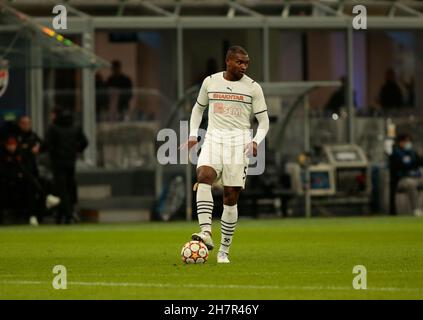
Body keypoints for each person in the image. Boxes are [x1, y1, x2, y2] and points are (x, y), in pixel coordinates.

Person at [181, 46, 270, 263]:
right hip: (213, 140)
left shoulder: (253, 88)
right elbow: (197, 109)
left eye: (246, 63)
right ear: (228, 61)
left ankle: (223, 251)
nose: (243, 66)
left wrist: (256, 141)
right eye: (239, 62)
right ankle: (205, 232)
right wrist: (193, 134)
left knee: (230, 197)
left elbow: (264, 121)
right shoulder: (210, 81)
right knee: (203, 176)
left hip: (238, 145)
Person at [44, 108, 88, 224]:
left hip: (58, 162)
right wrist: (74, 149)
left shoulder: (53, 128)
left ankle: (66, 214)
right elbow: (84, 142)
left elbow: (46, 144)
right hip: (71, 162)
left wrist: (49, 151)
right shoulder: (75, 127)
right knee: (70, 187)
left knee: (60, 189)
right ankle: (67, 213)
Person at [389, 133, 423, 216]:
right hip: (403, 180)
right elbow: (401, 166)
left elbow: (419, 162)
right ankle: (416, 209)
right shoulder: (396, 154)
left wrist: (415, 162)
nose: (408, 143)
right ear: (401, 142)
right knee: (411, 183)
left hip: (416, 178)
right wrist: (413, 164)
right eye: (406, 141)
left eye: (409, 141)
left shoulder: (413, 153)